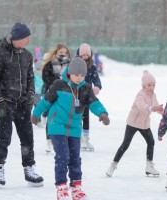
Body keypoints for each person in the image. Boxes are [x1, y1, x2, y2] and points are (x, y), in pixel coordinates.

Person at [31, 57, 110, 200]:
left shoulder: (85, 88)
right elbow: (46, 101)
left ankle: (76, 187)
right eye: (76, 75)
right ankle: (61, 187)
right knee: (62, 156)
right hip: (57, 126)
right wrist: (36, 114)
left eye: (82, 75)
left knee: (75, 158)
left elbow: (94, 103)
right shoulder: (59, 85)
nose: (79, 78)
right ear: (70, 73)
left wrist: (103, 113)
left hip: (74, 128)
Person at [0, 22, 44, 188]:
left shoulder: (26, 55)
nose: (28, 41)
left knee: (27, 138)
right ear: (17, 38)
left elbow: (31, 78)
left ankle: (29, 169)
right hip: (5, 103)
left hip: (23, 104)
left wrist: (30, 95)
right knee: (5, 137)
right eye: (26, 38)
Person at [106, 70, 163, 178]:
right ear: (144, 85)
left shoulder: (153, 95)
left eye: (153, 85)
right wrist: (152, 108)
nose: (152, 87)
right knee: (125, 144)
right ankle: (113, 165)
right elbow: (141, 105)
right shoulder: (140, 94)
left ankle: (149, 166)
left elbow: (156, 106)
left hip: (144, 124)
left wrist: (162, 111)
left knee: (151, 142)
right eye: (149, 85)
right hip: (133, 123)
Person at [42, 44, 72, 153]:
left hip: (66, 95)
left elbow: (74, 78)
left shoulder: (70, 65)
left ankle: (64, 140)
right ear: (56, 53)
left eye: (65, 52)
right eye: (61, 52)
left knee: (64, 117)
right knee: (51, 117)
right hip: (52, 93)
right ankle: (49, 141)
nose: (63, 54)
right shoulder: (50, 64)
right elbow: (45, 78)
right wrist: (58, 80)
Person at [76, 43, 102, 151]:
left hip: (87, 95)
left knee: (86, 117)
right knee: (78, 117)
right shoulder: (75, 66)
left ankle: (85, 138)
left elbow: (96, 79)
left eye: (87, 55)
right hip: (77, 95)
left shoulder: (92, 67)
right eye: (82, 55)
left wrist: (97, 86)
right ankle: (78, 138)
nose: (85, 57)